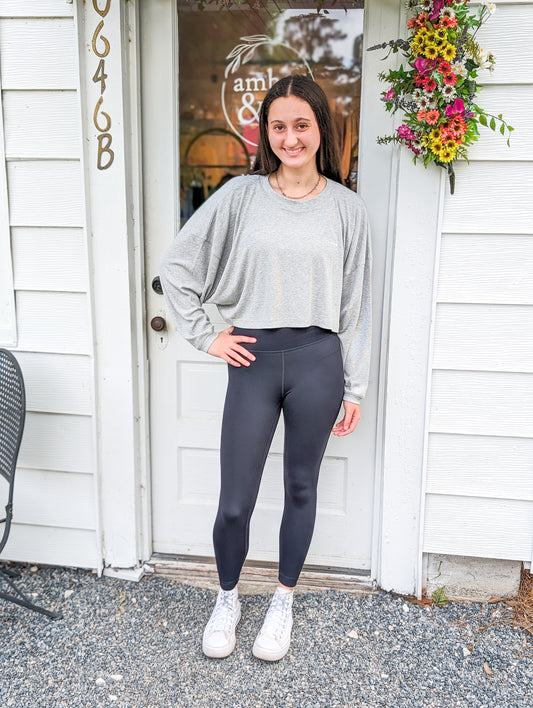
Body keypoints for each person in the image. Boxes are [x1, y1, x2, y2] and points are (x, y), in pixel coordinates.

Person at [160, 74, 372, 662]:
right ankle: (227, 597)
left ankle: (282, 601)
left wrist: (355, 384)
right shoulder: (239, 196)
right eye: (278, 126)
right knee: (235, 500)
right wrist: (208, 333)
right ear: (266, 132)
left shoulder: (347, 210)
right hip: (252, 360)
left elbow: (356, 306)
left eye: (301, 125)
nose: (290, 137)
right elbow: (177, 266)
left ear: (320, 129)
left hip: (318, 363)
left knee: (301, 488)